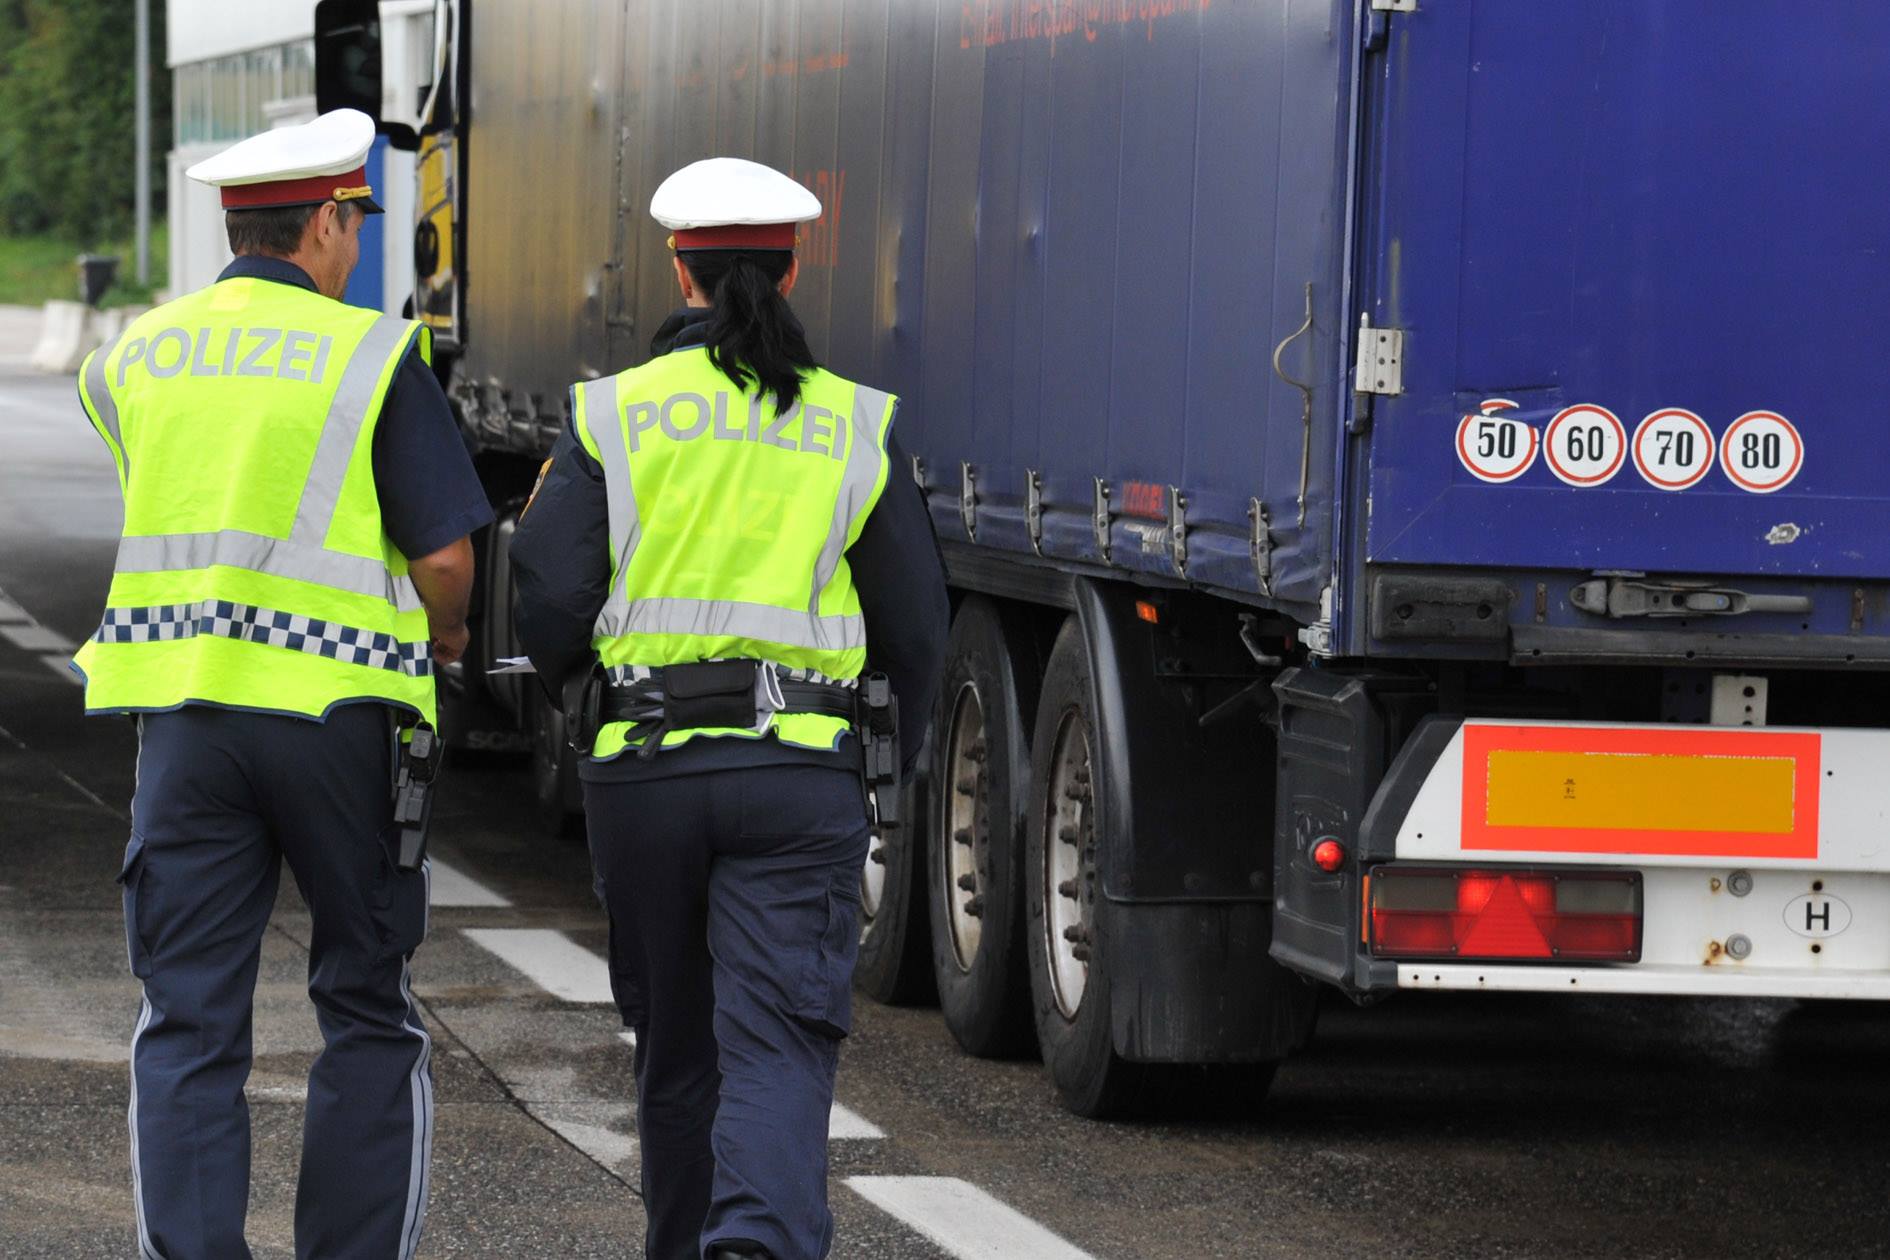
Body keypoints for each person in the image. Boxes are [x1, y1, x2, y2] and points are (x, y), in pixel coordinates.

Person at [509, 156, 948, 1260]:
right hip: (798, 774)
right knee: (779, 1039)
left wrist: (588, 692)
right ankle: (753, 1245)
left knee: (674, 1044)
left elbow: (552, 596)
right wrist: (895, 747)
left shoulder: (613, 413)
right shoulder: (853, 420)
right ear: (795, 265)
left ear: (678, 267)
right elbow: (917, 626)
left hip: (644, 771)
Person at [72, 109, 493, 1260]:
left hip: (187, 727)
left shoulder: (136, 356)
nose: (355, 245)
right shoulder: (369, 354)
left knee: (189, 1017)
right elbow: (446, 556)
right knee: (365, 1005)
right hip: (343, 727)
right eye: (352, 220)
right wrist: (445, 637)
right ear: (320, 223)